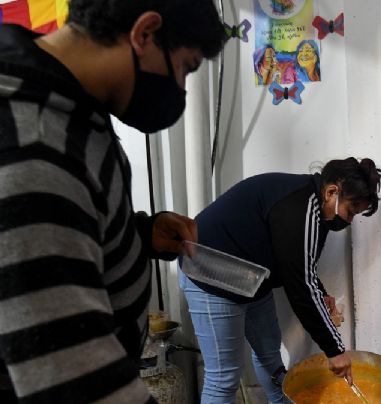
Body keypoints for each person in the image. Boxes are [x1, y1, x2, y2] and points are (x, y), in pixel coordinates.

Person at [0, 1, 225, 402]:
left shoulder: (67, 99)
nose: (182, 89)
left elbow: (64, 224)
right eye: (185, 68)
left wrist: (135, 234)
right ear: (144, 34)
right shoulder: (29, 144)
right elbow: (72, 379)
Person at [179, 157, 381, 403]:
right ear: (332, 192)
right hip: (209, 271)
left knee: (270, 358)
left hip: (250, 278)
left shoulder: (314, 207)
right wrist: (335, 350)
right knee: (223, 378)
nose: (349, 221)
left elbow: (299, 265)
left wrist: (321, 293)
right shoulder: (301, 206)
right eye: (350, 211)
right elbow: (300, 289)